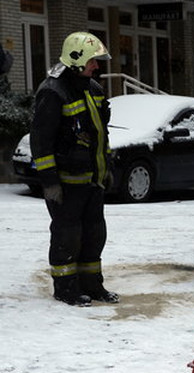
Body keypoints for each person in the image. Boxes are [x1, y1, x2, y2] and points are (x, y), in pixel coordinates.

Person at [30, 32, 119, 306]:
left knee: (94, 235)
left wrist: (105, 168)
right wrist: (50, 182)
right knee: (68, 236)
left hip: (92, 182)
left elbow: (99, 135)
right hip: (66, 185)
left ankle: (92, 286)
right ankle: (66, 288)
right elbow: (41, 141)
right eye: (93, 61)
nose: (97, 66)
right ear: (76, 59)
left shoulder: (93, 89)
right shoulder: (53, 91)